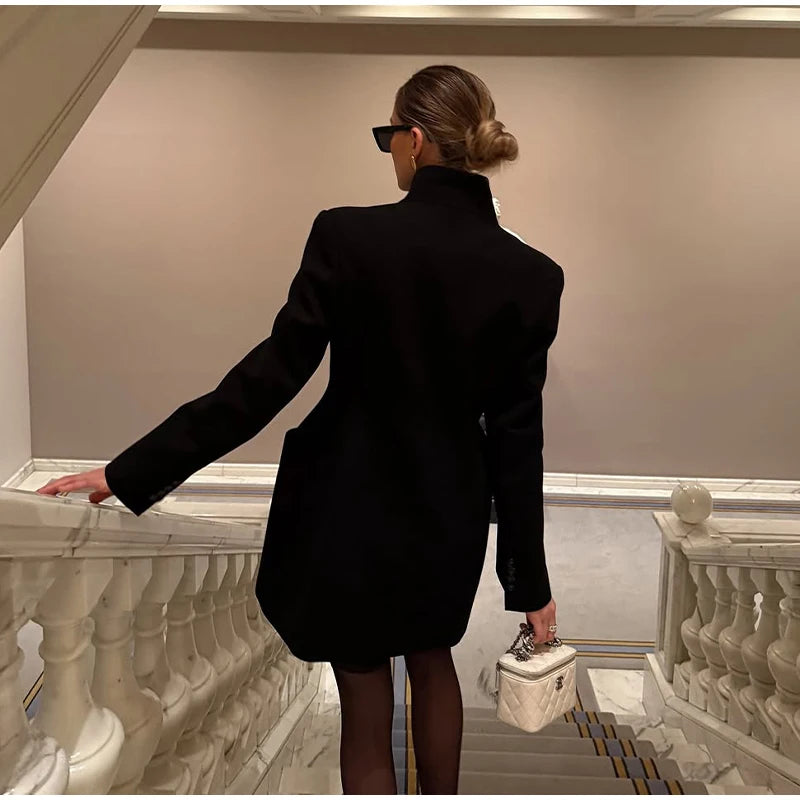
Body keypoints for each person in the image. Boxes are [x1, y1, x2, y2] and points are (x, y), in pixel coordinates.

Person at [38, 64, 565, 794]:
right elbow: (517, 440)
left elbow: (266, 380)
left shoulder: (349, 237)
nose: (391, 153)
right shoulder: (533, 274)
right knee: (432, 656)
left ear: (414, 140)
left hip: (349, 507)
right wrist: (530, 583)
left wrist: (128, 471)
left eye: (389, 138)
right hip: (448, 513)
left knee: (363, 687)